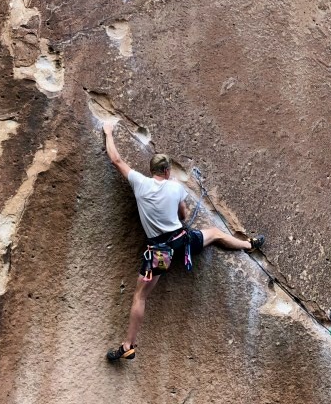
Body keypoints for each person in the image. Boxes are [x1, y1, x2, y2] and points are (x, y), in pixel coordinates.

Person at [102, 121, 265, 361]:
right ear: (167, 171)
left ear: (152, 170)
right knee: (216, 234)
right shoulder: (176, 188)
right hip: (183, 242)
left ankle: (129, 345)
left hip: (159, 253)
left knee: (140, 296)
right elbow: (183, 215)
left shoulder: (140, 183)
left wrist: (108, 132)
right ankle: (248, 244)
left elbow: (116, 160)